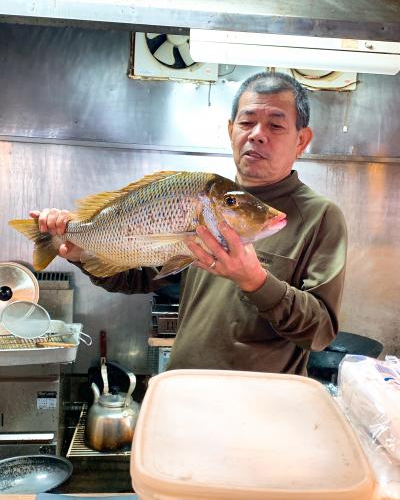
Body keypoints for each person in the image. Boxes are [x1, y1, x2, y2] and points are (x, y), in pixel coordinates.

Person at [31, 71, 347, 376]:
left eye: (275, 125)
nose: (257, 134)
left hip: (257, 403)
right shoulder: (202, 200)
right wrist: (82, 252)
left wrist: (257, 282)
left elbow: (320, 332)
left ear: (302, 140)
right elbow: (138, 278)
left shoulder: (320, 217)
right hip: (183, 386)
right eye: (247, 122)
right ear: (231, 130)